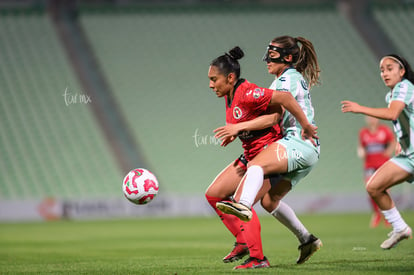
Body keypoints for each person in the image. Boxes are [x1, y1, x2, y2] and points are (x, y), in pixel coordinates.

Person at [206, 43, 320, 269]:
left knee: (242, 202)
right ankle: (243, 241)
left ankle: (258, 259)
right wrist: (238, 131)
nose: (210, 85)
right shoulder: (230, 95)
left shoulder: (248, 92)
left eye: (214, 79)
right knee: (214, 195)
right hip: (251, 154)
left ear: (230, 78)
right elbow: (262, 119)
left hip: (269, 154)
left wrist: (238, 128)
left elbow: (279, 110)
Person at [341, 54, 414, 249]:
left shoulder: (405, 86)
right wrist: (401, 140)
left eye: (390, 68)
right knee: (374, 186)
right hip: (408, 156)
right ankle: (400, 228)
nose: (385, 73)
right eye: (382, 70)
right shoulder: (391, 95)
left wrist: (360, 108)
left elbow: (392, 114)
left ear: (402, 71)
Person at [358, 116, 395, 228]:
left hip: (383, 164)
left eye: (373, 118)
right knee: (370, 189)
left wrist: (388, 151)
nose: (371, 120)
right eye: (369, 118)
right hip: (369, 165)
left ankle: (388, 215)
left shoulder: (384, 130)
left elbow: (392, 142)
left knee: (385, 190)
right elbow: (361, 146)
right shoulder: (363, 132)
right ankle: (376, 213)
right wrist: (361, 151)